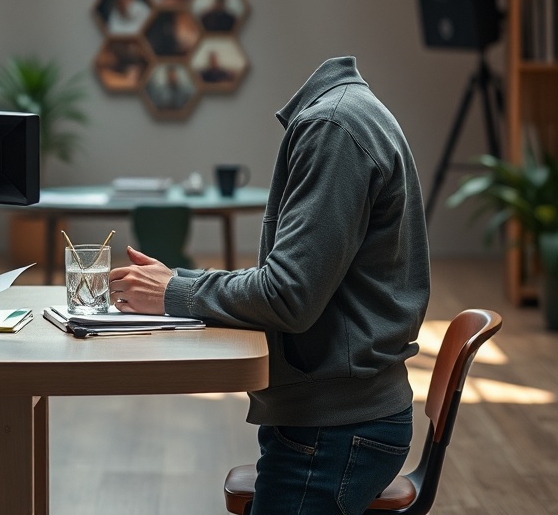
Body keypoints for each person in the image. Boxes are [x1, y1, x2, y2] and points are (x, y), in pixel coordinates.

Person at [110, 56, 430, 515]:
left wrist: (172, 293)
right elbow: (293, 281)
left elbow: (287, 296)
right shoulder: (347, 112)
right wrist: (175, 281)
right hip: (341, 419)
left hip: (335, 430)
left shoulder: (331, 128)